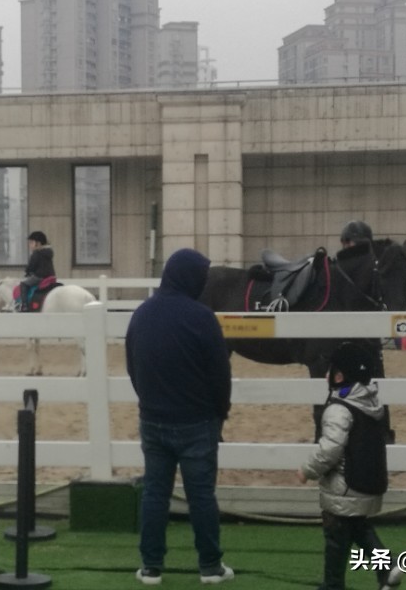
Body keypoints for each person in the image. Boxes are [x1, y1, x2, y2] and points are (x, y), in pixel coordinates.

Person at [126, 248, 233, 585]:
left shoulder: (141, 314)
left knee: (154, 493)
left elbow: (132, 365)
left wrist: (149, 401)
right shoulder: (202, 317)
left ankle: (150, 566)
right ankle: (210, 566)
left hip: (153, 419)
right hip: (197, 421)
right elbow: (220, 374)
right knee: (201, 496)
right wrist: (220, 412)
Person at [297, 342, 403, 590]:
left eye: (331, 370)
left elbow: (329, 450)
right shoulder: (370, 402)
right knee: (358, 528)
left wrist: (307, 470)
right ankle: (387, 569)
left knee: (336, 536)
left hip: (344, 486)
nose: (327, 374)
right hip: (365, 483)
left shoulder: (339, 409)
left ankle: (333, 584)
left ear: (339, 376)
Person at [17, 231, 56, 311]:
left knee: (23, 284)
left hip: (39, 276)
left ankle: (24, 305)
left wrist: (27, 271)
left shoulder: (36, 253)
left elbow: (31, 266)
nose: (29, 245)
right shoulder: (48, 252)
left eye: (31, 243)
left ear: (38, 243)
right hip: (50, 276)